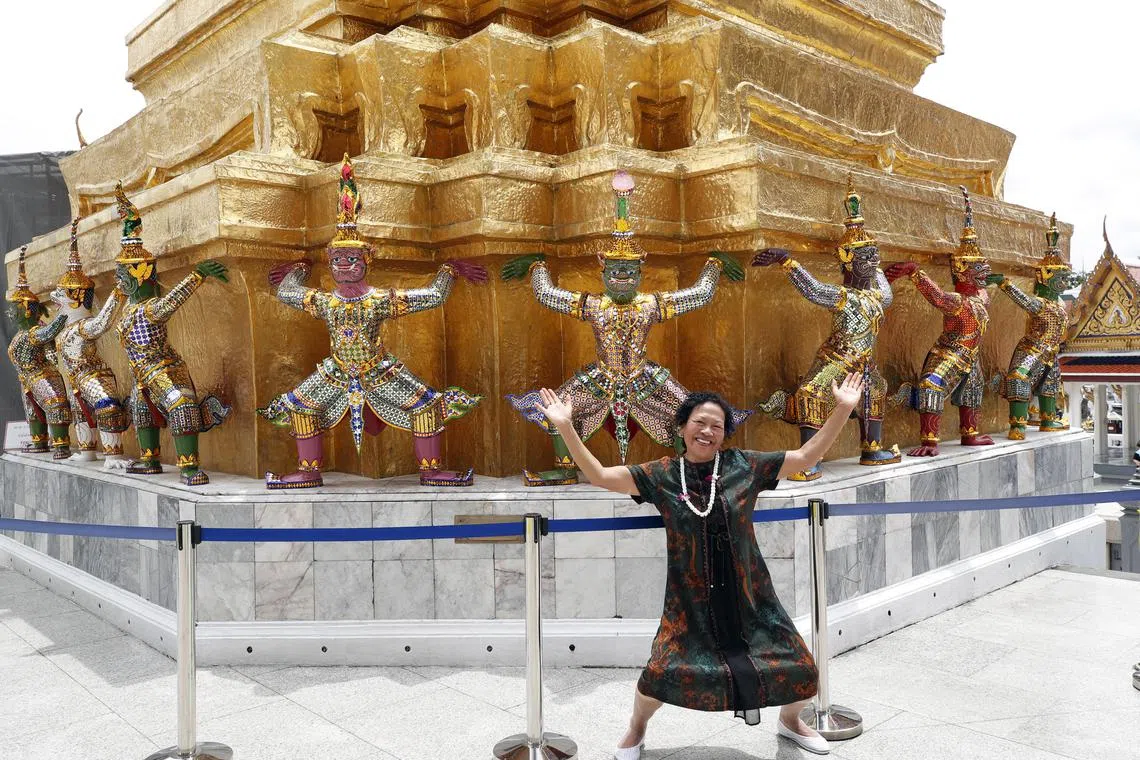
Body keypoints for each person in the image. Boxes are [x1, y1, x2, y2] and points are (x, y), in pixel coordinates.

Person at [534, 373, 868, 758]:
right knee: (657, 678)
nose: (708, 431)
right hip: (688, 604)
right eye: (700, 423)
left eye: (717, 426)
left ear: (725, 434)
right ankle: (635, 730)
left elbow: (807, 457)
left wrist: (843, 408)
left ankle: (791, 722)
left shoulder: (744, 466)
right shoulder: (660, 474)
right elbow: (599, 476)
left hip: (751, 597)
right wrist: (565, 427)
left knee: (805, 672)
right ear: (681, 427)